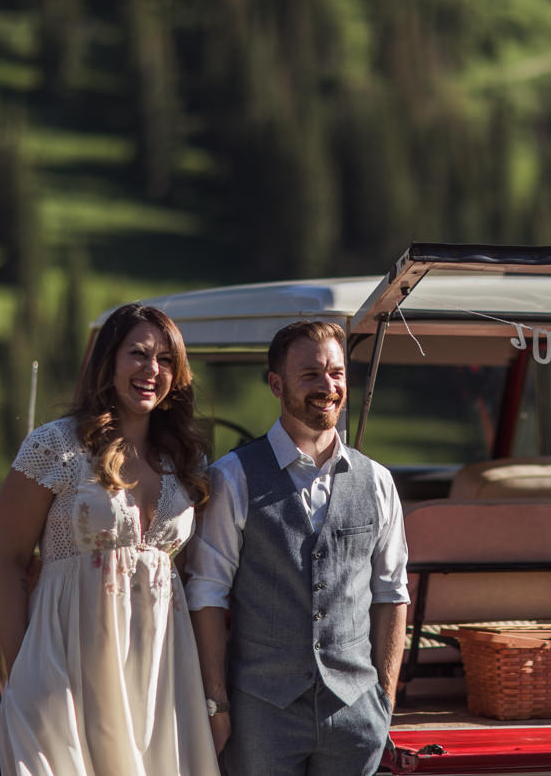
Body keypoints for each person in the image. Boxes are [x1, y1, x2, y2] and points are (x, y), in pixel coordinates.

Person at [0, 303, 221, 775]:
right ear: (107, 361)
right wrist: (20, 673)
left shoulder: (183, 460)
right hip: (64, 666)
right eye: (137, 353)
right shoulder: (55, 446)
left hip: (160, 673)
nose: (151, 370)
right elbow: (8, 562)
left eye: (165, 359)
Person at [188, 320, 409, 775]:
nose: (327, 386)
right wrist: (217, 705)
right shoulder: (233, 477)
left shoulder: (378, 482)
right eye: (310, 374)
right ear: (276, 384)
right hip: (260, 715)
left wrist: (382, 699)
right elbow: (207, 593)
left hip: (355, 716)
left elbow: (391, 594)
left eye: (336, 373)